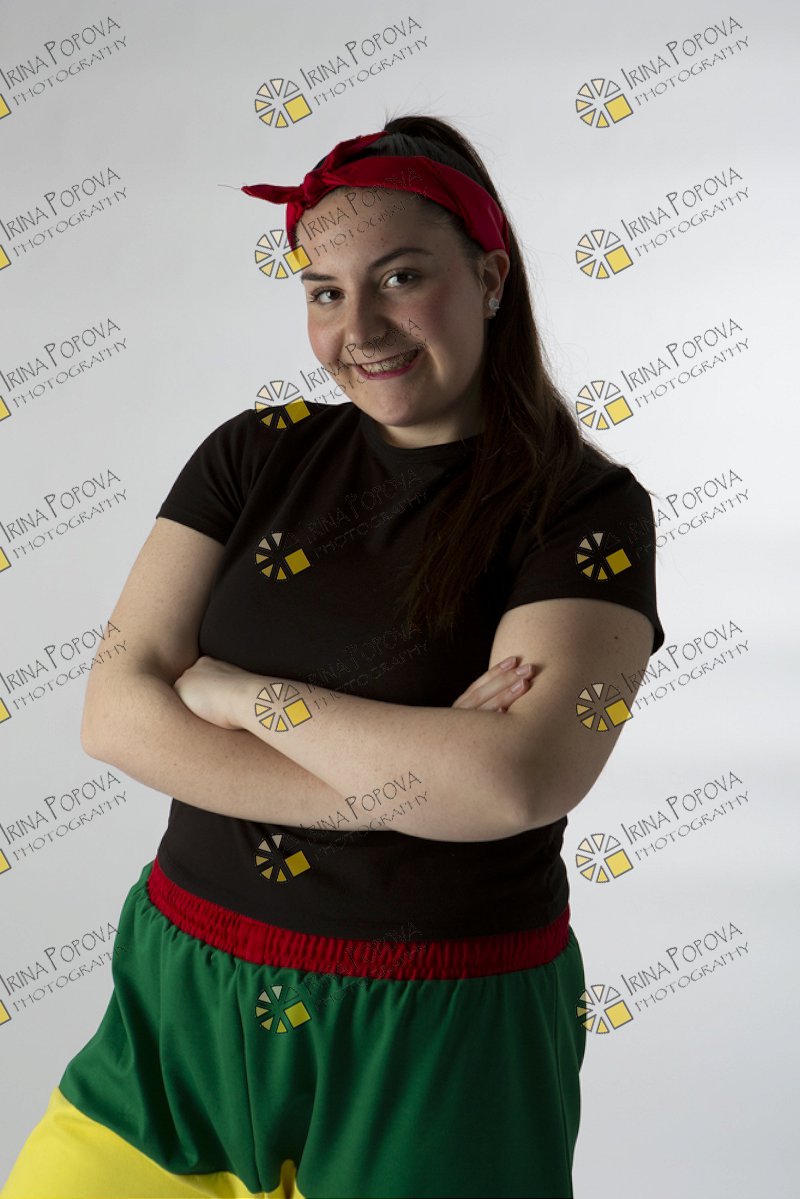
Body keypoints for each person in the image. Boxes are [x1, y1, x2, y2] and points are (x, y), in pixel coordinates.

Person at [1, 112, 664, 1199]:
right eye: (324, 292)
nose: (360, 326)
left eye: (401, 277)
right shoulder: (250, 455)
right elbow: (114, 713)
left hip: (437, 1030)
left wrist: (236, 694)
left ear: (489, 275)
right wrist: (413, 779)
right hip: (182, 1000)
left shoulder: (582, 509)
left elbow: (514, 780)